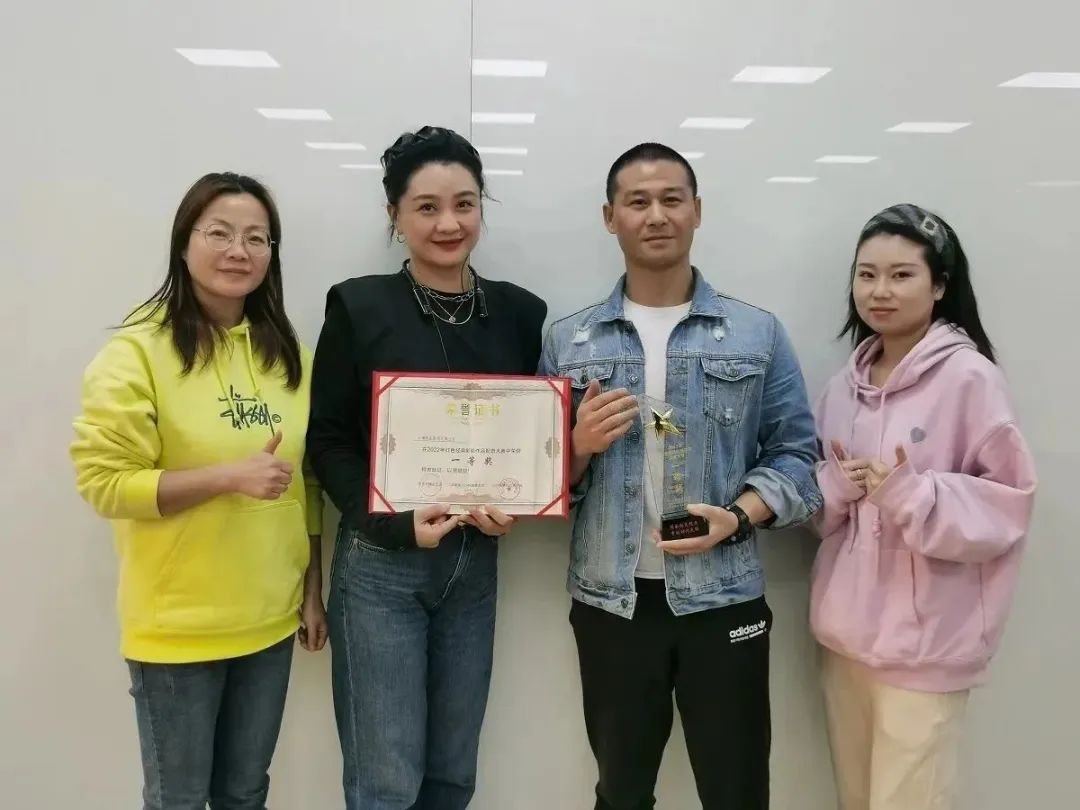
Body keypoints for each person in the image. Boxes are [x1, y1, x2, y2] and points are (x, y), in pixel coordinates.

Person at [537, 142, 821, 810]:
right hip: (612, 601)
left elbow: (798, 457)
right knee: (621, 791)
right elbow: (541, 481)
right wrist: (576, 447)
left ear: (697, 210)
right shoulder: (569, 340)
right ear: (610, 217)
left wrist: (740, 516)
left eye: (672, 199)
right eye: (637, 202)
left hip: (724, 599)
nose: (656, 215)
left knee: (737, 789)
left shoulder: (757, 333)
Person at [307, 125, 547, 810]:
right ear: (395, 215)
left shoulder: (521, 313)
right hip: (381, 563)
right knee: (385, 781)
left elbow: (529, 439)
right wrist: (389, 523)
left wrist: (519, 502)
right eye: (427, 207)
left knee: (451, 775)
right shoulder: (358, 306)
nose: (449, 223)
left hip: (475, 562)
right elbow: (328, 439)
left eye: (465, 204)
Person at [70, 172, 327, 810]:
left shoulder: (289, 355)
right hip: (178, 630)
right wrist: (227, 478)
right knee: (179, 800)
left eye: (257, 238)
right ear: (184, 242)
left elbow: (307, 480)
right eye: (220, 233)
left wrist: (311, 586)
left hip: (269, 622)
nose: (239, 251)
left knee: (245, 793)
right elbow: (105, 483)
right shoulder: (137, 351)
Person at [811, 204, 1037, 810]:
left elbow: (1009, 507)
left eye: (901, 275)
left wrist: (910, 493)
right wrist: (836, 487)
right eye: (866, 275)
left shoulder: (970, 379)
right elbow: (818, 510)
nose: (879, 291)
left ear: (939, 286)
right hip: (845, 642)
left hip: (927, 647)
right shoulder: (842, 387)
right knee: (855, 799)